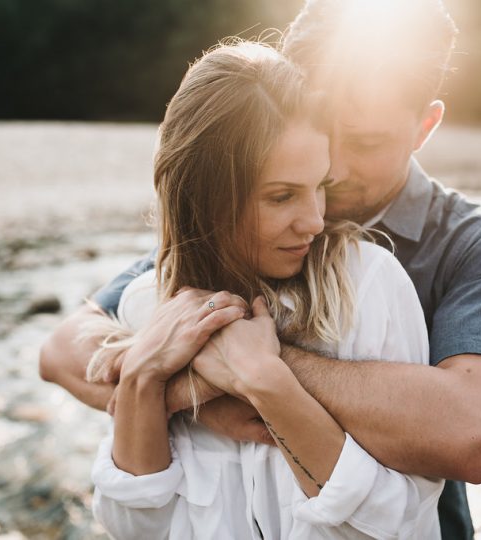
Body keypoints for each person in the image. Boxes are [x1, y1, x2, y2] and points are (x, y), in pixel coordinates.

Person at [39, 1, 481, 537]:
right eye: (322, 127)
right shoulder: (244, 228)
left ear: (425, 126)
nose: (334, 169)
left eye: (366, 142)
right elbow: (65, 350)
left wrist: (251, 366)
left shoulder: (474, 246)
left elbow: (472, 435)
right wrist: (187, 392)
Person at [87, 40, 444, 538]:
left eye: (320, 185)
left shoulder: (368, 287)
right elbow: (131, 526)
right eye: (281, 197)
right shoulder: (150, 304)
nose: (316, 221)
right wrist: (142, 379)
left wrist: (264, 378)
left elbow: (397, 523)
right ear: (202, 198)